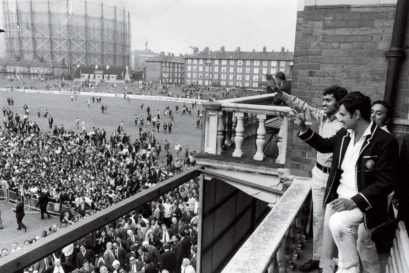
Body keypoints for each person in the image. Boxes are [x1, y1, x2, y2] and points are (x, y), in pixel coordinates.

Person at [297, 92, 399, 273]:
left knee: (339, 224)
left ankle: (350, 268)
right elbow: (324, 145)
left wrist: (354, 201)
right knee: (337, 239)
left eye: (343, 114)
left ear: (357, 114)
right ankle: (345, 267)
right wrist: (303, 129)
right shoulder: (344, 134)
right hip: (338, 199)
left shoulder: (385, 141)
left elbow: (386, 182)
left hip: (365, 202)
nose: (339, 117)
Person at [274, 85, 348, 272]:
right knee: (317, 218)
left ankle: (330, 262)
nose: (323, 103)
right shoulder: (323, 116)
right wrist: (283, 95)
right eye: (323, 100)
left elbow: (324, 145)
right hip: (318, 174)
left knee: (332, 221)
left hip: (334, 178)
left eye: (328, 101)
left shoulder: (344, 125)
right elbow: (303, 106)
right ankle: (317, 259)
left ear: (339, 103)